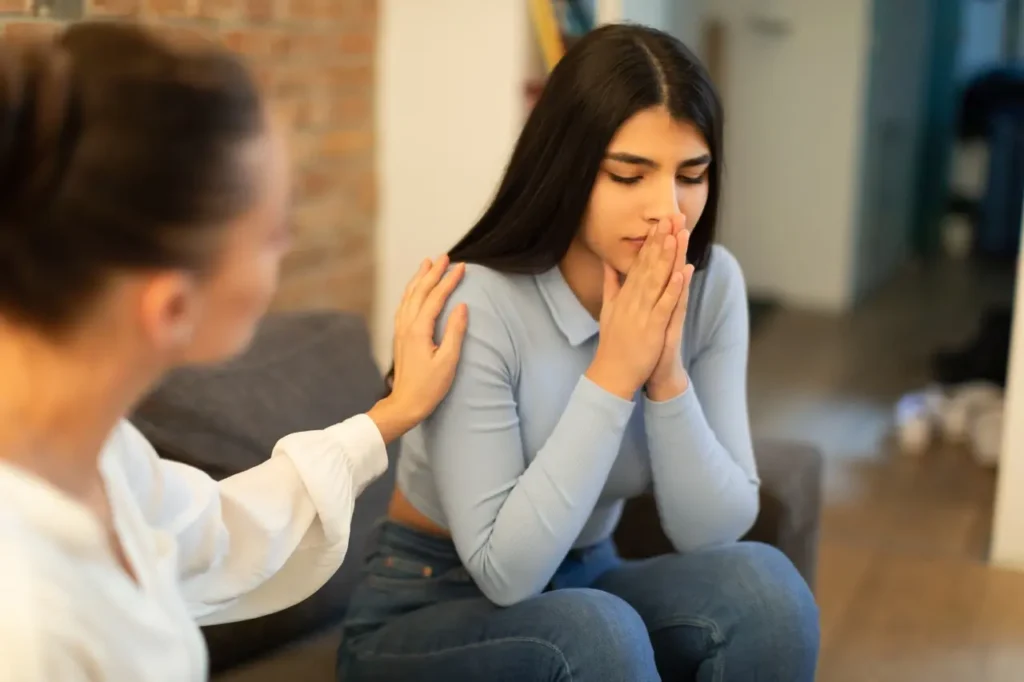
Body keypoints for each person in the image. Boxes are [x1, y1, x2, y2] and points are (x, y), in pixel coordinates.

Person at [338, 23, 820, 682]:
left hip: (591, 575)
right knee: (595, 631)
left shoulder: (711, 285)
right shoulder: (477, 305)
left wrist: (666, 374)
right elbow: (507, 575)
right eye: (629, 175)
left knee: (769, 592)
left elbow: (712, 533)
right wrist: (615, 373)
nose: (667, 212)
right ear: (568, 167)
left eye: (692, 174)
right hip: (428, 599)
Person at [0, 21, 469, 682]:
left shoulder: (98, 452)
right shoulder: (25, 618)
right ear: (170, 308)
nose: (287, 250)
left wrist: (391, 414)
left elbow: (220, 528)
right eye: (274, 233)